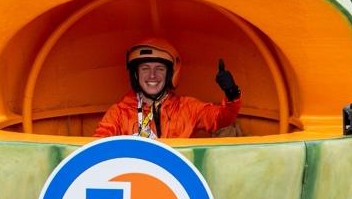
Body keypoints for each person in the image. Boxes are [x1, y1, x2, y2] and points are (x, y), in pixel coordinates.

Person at [93, 38, 242, 138]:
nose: (152, 75)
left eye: (160, 69)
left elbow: (221, 119)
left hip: (177, 184)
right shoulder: (119, 113)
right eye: (145, 68)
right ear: (136, 75)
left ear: (171, 74)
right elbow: (95, 148)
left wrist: (231, 93)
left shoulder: (187, 108)